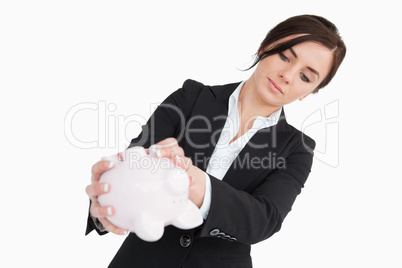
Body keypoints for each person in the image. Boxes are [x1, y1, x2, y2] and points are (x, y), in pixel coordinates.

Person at [85, 14, 346, 267]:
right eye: (285, 56)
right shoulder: (190, 97)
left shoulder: (297, 149)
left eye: (305, 77)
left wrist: (191, 179)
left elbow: (263, 219)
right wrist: (108, 199)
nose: (287, 75)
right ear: (265, 46)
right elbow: (134, 160)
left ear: (309, 92)